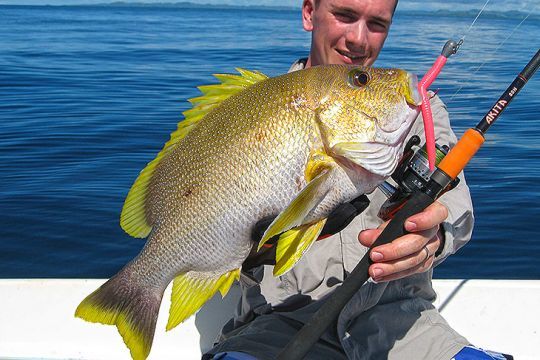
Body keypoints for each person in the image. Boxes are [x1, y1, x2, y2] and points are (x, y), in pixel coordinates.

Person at [204, 1, 477, 359]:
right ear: (308, 13)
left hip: (404, 326)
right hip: (277, 324)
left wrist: (435, 237)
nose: (358, 39)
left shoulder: (417, 108)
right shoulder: (254, 111)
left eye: (377, 23)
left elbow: (457, 202)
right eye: (345, 15)